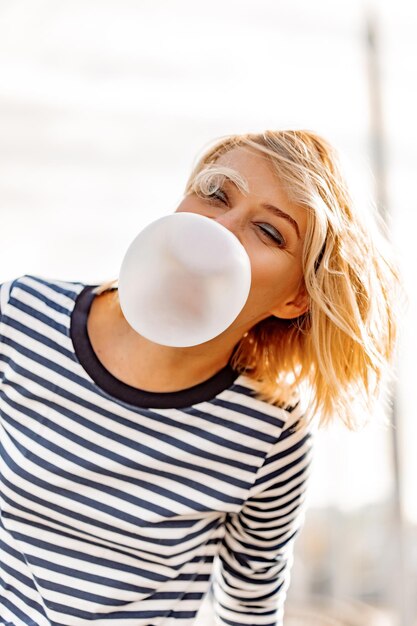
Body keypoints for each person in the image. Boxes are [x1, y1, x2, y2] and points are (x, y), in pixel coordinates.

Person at [0, 130, 400, 626]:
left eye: (270, 232)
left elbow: (250, 610)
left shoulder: (272, 434)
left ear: (294, 299)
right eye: (215, 193)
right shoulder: (19, 316)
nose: (222, 228)